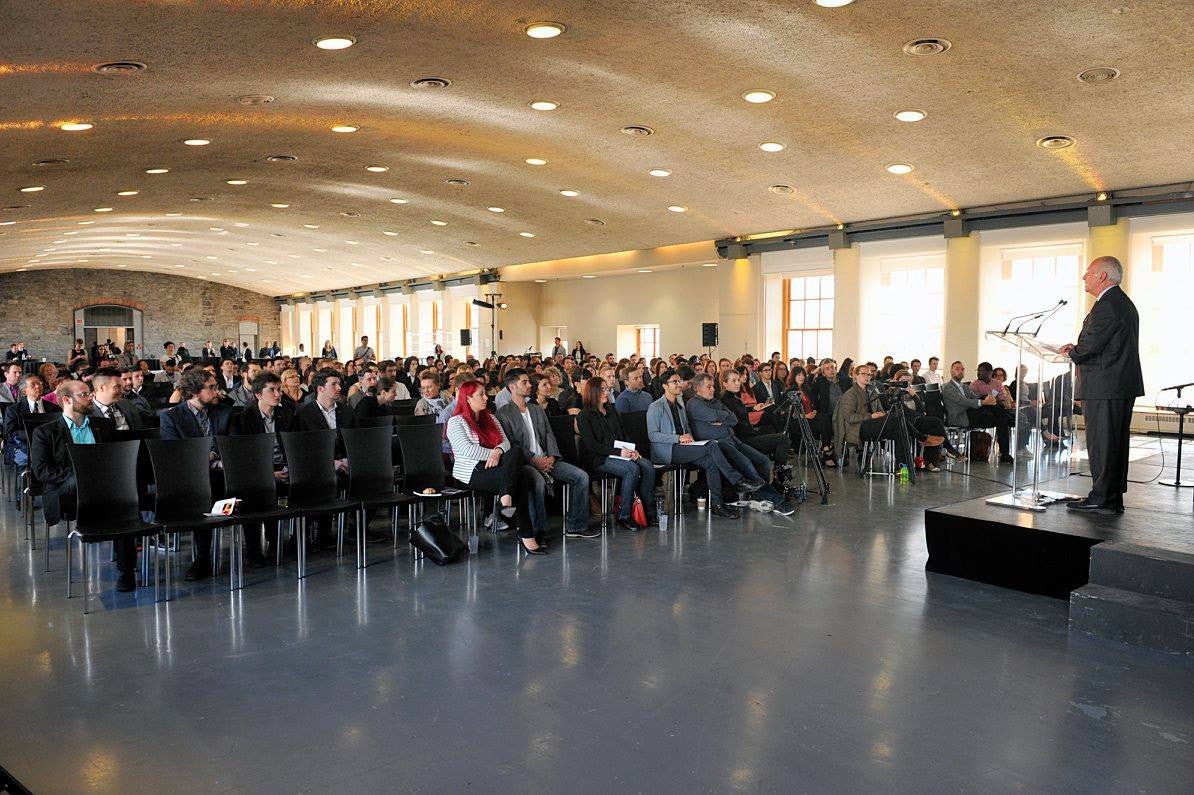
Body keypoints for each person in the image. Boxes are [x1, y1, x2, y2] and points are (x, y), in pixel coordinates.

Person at [31, 380, 137, 590]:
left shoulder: (103, 425)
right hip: (67, 493)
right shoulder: (45, 432)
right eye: (84, 394)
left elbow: (116, 459)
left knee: (125, 504)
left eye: (89, 393)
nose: (90, 397)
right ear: (67, 400)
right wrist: (82, 473)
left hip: (104, 491)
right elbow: (42, 471)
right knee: (80, 480)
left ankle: (127, 572)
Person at [1059, 256, 1143, 514]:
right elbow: (1106, 343)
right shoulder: (1122, 303)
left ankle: (1101, 498)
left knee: (1103, 443)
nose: (1084, 277)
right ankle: (1111, 498)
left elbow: (1092, 345)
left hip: (1105, 385)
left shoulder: (1107, 304)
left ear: (1102, 276)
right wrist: (1079, 349)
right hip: (1117, 385)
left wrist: (1073, 352)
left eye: (1088, 272)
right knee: (1114, 443)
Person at [647, 369, 762, 518]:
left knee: (710, 462)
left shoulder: (680, 406)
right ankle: (737, 480)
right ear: (664, 386)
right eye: (674, 382)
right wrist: (678, 438)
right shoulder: (656, 407)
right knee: (712, 445)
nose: (678, 384)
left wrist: (691, 441)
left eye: (679, 381)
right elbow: (652, 435)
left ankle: (717, 504)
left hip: (684, 446)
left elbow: (687, 428)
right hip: (667, 450)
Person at [496, 370, 598, 539]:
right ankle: (538, 531)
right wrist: (534, 461)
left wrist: (552, 456)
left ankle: (576, 525)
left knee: (581, 477)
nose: (529, 385)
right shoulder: (504, 413)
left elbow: (549, 435)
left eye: (529, 381)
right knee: (538, 483)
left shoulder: (536, 409)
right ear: (512, 387)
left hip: (547, 459)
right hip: (527, 463)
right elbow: (513, 446)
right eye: (525, 382)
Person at [446, 381, 542, 553]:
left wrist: (498, 452)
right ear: (468, 399)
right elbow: (467, 450)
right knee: (519, 479)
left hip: (497, 466)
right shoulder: (455, 422)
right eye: (481, 395)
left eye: (485, 394)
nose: (486, 397)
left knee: (516, 452)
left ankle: (505, 501)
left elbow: (505, 442)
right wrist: (494, 455)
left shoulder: (490, 418)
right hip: (471, 471)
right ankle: (527, 535)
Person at [159, 368, 234, 580]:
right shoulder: (171, 417)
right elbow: (176, 453)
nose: (217, 392)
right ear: (194, 392)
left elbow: (231, 445)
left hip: (223, 472)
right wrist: (206, 456)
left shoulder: (223, 412)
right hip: (191, 477)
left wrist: (214, 456)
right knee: (203, 493)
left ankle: (258, 548)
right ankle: (203, 557)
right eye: (211, 388)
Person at [577, 375, 658, 530]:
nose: (606, 392)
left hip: (620, 452)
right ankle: (624, 515)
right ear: (593, 392)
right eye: (602, 389)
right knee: (631, 469)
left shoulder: (612, 410)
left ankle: (649, 511)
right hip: (598, 457)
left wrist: (632, 450)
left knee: (647, 465)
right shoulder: (584, 415)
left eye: (607, 389)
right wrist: (619, 452)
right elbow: (592, 445)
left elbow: (623, 433)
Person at [687, 374, 780, 503]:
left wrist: (721, 418)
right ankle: (774, 499)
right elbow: (713, 415)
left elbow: (734, 419)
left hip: (733, 439)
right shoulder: (694, 404)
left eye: (713, 386)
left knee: (763, 461)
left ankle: (758, 495)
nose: (713, 389)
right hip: (719, 445)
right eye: (709, 387)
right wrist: (723, 416)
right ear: (698, 388)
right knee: (747, 464)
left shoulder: (715, 401)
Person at [942, 361, 1014, 464]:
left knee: (999, 417)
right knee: (998, 414)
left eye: (962, 369)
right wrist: (984, 401)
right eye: (957, 369)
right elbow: (963, 401)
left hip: (970, 414)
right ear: (951, 371)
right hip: (960, 417)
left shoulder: (964, 387)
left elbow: (975, 397)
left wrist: (988, 399)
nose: (960, 371)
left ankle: (1005, 453)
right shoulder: (948, 388)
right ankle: (1010, 420)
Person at [3, 374, 61, 467]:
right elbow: (10, 434)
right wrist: (35, 435)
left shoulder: (55, 408)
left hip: (49, 445)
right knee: (32, 459)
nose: (38, 386)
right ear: (24, 391)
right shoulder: (14, 410)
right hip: (23, 445)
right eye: (33, 385)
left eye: (39, 383)